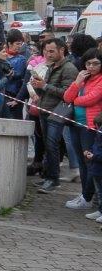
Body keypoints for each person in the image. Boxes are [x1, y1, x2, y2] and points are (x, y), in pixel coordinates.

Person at [32, 38, 77, 193]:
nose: (48, 54)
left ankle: (53, 180)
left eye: (51, 51)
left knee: (52, 146)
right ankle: (48, 177)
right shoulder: (52, 66)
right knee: (48, 146)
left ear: (62, 50)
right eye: (45, 51)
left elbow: (67, 94)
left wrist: (44, 85)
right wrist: (38, 86)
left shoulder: (69, 68)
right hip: (45, 110)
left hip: (57, 112)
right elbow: (46, 91)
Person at [63, 50, 102, 211]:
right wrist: (77, 82)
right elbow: (67, 97)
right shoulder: (83, 78)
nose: (91, 67)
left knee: (91, 162)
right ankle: (86, 195)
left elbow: (92, 98)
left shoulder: (100, 80)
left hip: (90, 127)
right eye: (88, 63)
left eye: (96, 63)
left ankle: (88, 196)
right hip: (75, 124)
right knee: (82, 162)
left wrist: (75, 100)